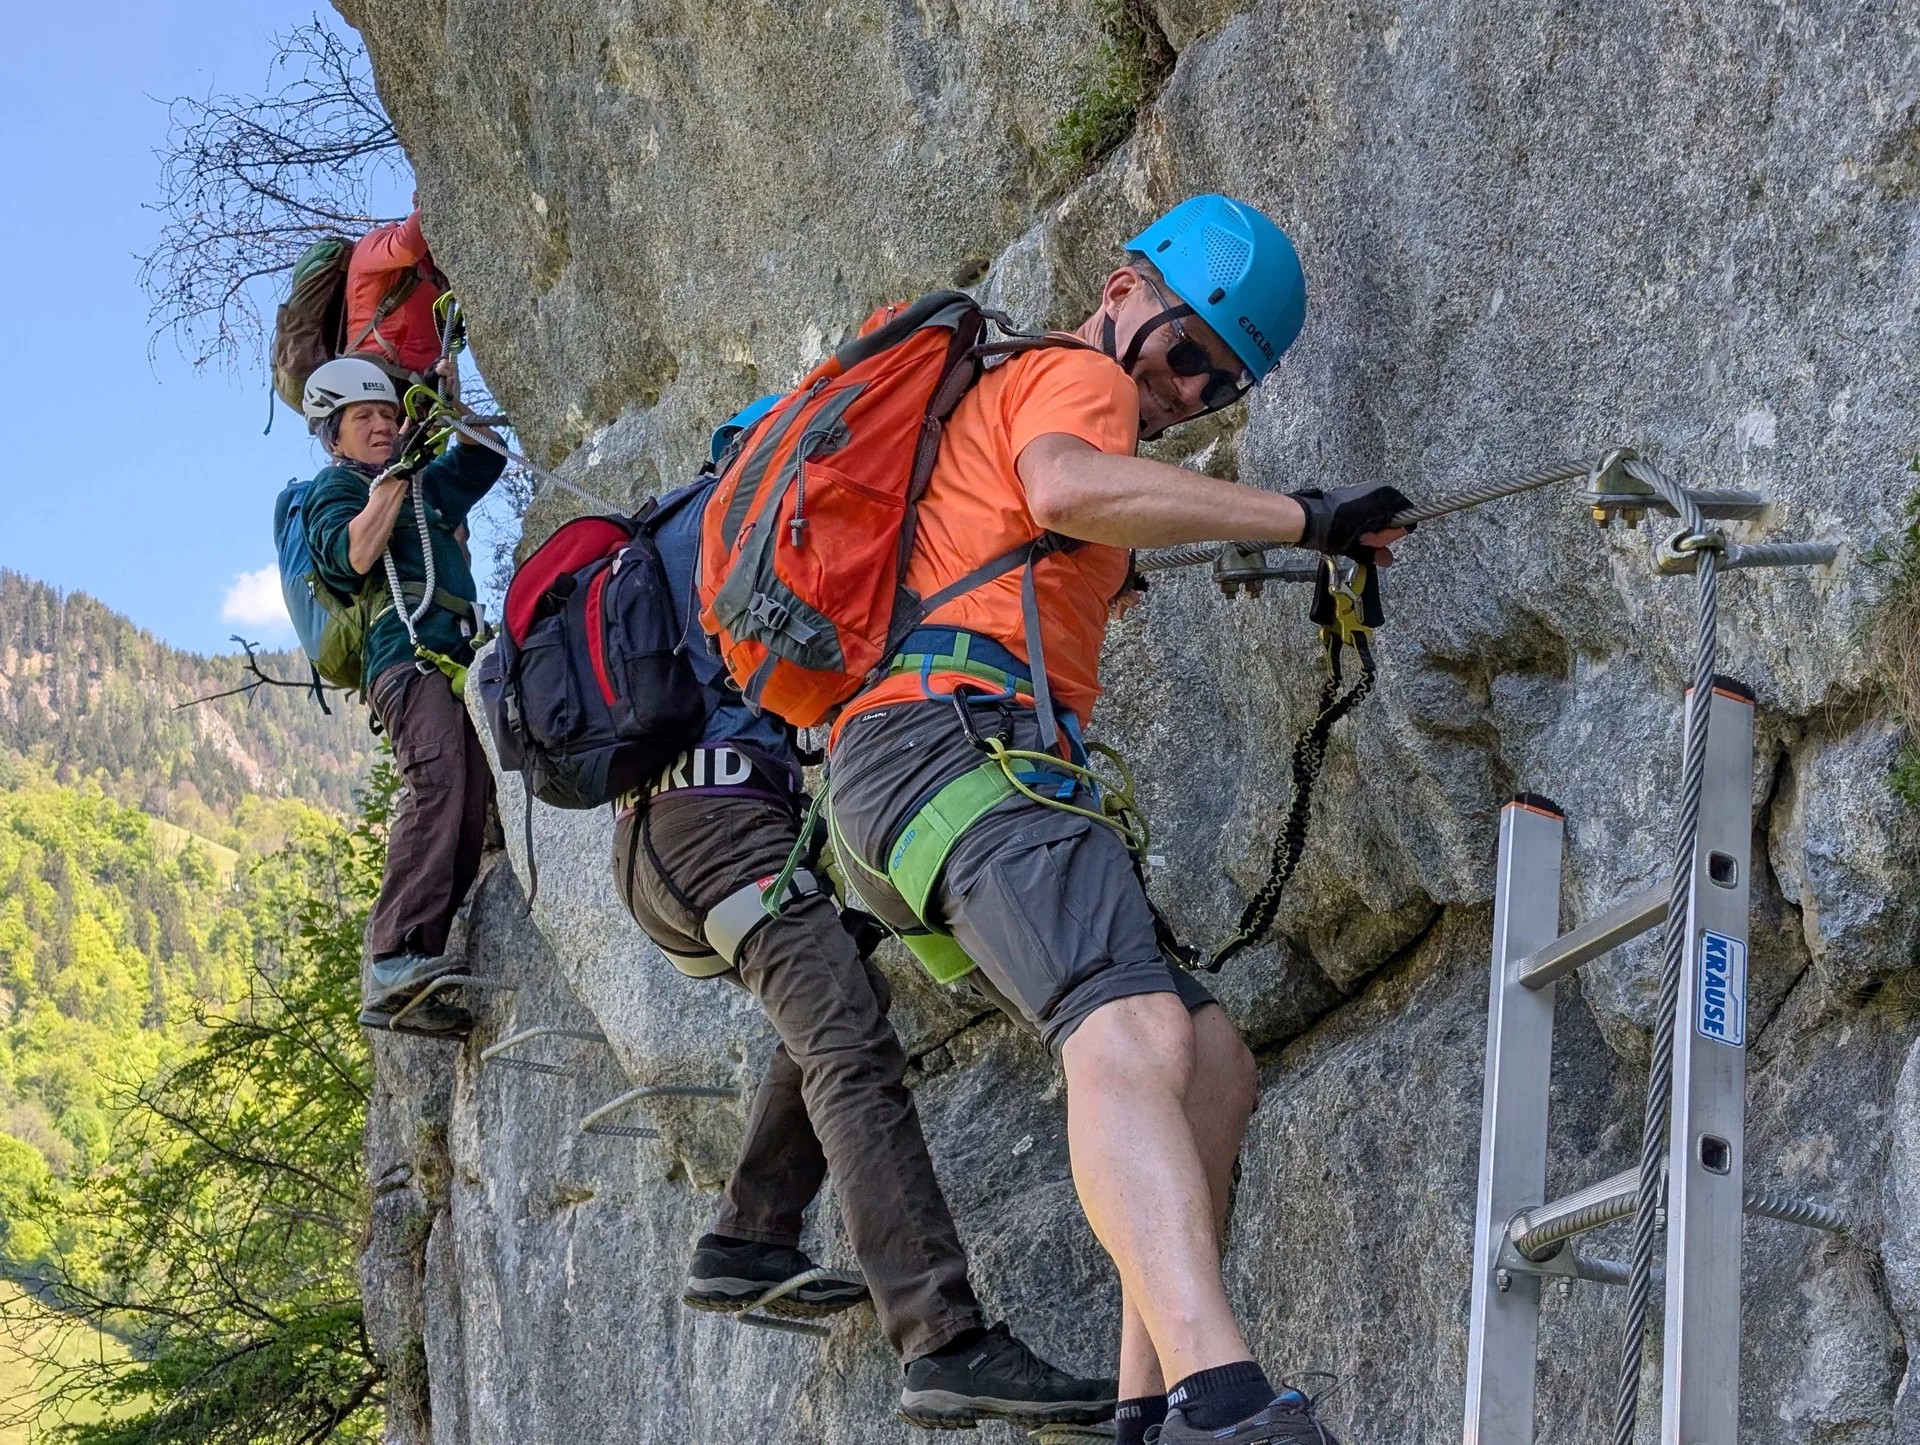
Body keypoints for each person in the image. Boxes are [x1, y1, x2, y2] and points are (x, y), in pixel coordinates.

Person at [825, 195, 1413, 1445]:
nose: (1189, 389)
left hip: (927, 764)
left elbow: (1048, 512)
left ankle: (1150, 1403)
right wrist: (1303, 514)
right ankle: (1227, 1395)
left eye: (1218, 381)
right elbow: (1067, 483)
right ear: (1121, 287)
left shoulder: (1017, 394)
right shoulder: (1070, 378)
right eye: (1187, 347)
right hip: (954, 741)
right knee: (1130, 1024)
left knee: (1211, 1060)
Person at [607, 398, 1118, 1431]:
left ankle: (748, 1235)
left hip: (661, 835)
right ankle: (943, 1338)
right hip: (726, 818)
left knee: (835, 982)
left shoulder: (680, 530)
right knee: (849, 1043)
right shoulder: (767, 522)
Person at [299, 356, 506, 1039]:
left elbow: (485, 458)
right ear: (335, 435)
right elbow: (350, 557)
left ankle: (420, 961)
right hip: (406, 657)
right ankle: (390, 956)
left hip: (453, 653)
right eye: (366, 418)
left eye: (388, 416)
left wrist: (450, 402)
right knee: (439, 780)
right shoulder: (335, 488)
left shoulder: (421, 483)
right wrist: (397, 472)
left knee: (471, 797)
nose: (382, 426)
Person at [344, 204, 451, 386]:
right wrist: (431, 199)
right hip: (376, 377)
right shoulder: (374, 242)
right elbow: (408, 243)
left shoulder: (436, 270)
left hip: (421, 386)